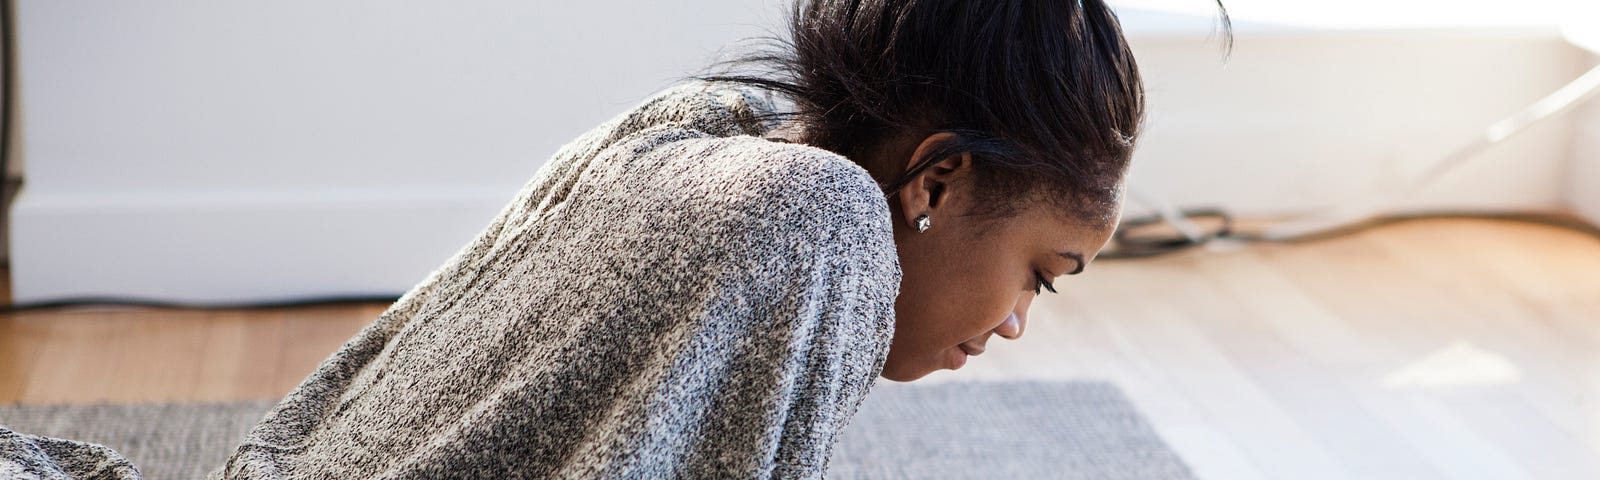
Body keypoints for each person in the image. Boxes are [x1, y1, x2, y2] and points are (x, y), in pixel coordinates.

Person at [2, 0, 1228, 478]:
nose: (1013, 322)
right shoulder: (821, 215)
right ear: (940, 179)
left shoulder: (710, 130)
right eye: (1042, 276)